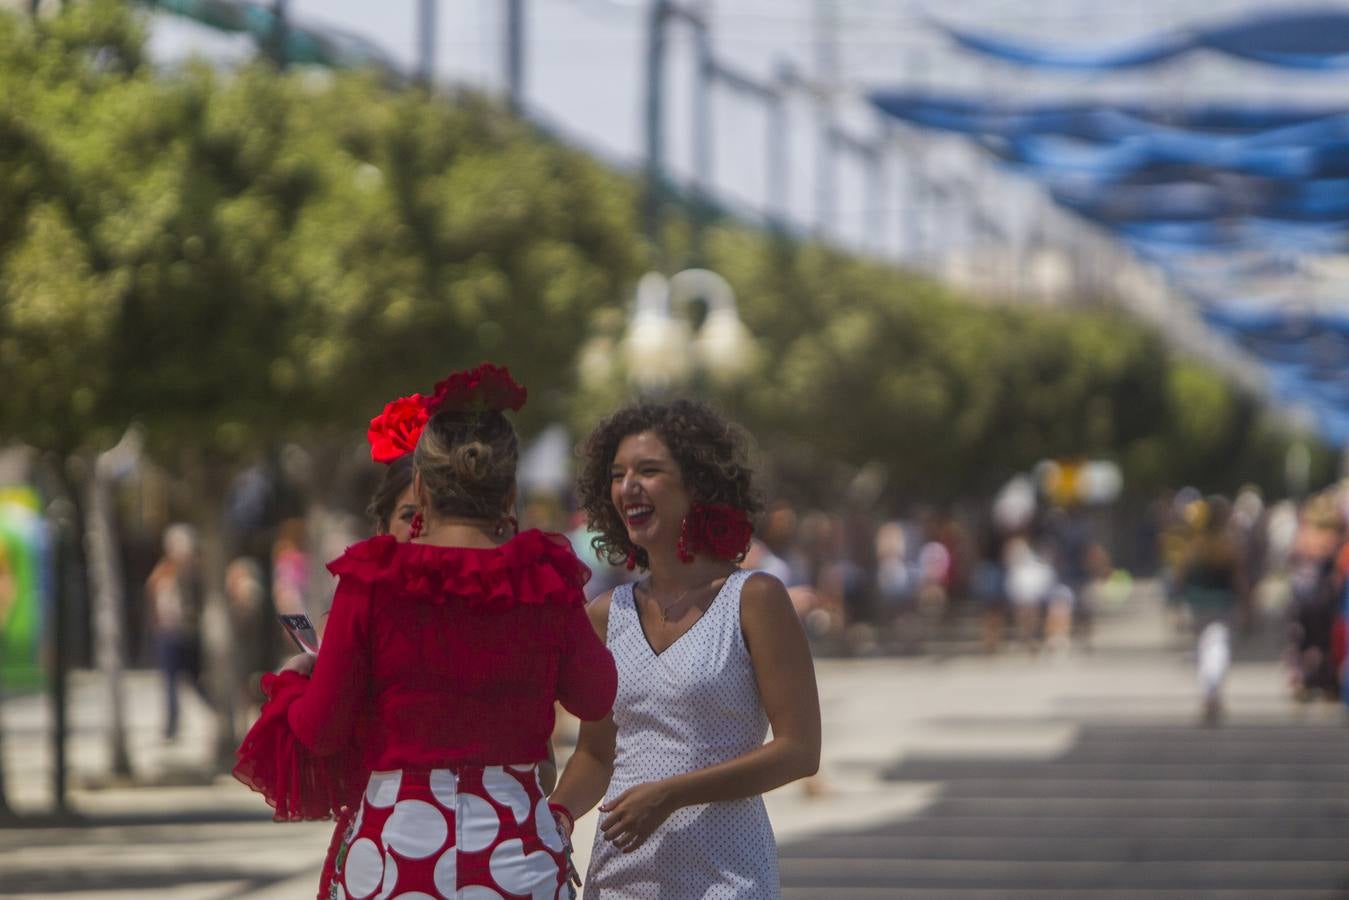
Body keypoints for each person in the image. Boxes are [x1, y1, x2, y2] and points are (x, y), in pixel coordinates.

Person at [235, 363, 617, 899]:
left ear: (419, 484)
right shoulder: (542, 579)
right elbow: (597, 695)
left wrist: (298, 680)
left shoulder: (373, 579)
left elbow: (321, 730)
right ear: (510, 493)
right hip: (515, 852)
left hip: (394, 853)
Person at [550, 399, 821, 899]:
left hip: (727, 877)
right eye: (617, 474)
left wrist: (673, 794)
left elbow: (799, 752)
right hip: (620, 878)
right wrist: (556, 817)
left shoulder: (754, 599)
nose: (628, 485)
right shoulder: (607, 614)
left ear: (698, 484)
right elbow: (595, 753)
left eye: (649, 470)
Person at [145, 524, 210, 741]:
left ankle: (219, 715)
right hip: (168, 634)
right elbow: (153, 598)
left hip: (189, 633)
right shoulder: (162, 571)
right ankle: (171, 726)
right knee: (170, 682)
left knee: (196, 680)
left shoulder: (198, 572)